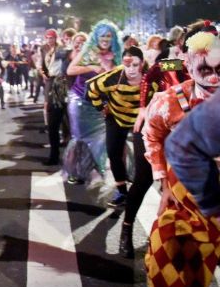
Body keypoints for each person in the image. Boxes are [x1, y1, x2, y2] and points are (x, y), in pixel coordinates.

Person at [140, 38, 220, 287]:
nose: (213, 75)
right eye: (205, 68)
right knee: (161, 256)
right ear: (188, 65)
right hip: (179, 194)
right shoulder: (168, 99)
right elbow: (152, 136)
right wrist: (161, 180)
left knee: (202, 261)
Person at [86, 47, 156, 210]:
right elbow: (91, 90)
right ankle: (122, 193)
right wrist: (102, 107)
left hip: (140, 119)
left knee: (144, 158)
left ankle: (138, 187)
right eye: (127, 65)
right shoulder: (112, 77)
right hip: (116, 117)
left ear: (142, 63)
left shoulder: (152, 74)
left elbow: (177, 65)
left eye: (135, 65)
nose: (131, 70)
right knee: (113, 153)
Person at [64, 20, 122, 184]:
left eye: (109, 36)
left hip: (102, 104)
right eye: (102, 35)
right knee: (79, 137)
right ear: (96, 36)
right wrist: (92, 67)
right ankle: (75, 170)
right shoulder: (88, 51)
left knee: (100, 138)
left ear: (113, 38)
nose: (105, 39)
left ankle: (96, 165)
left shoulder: (116, 54)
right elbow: (70, 70)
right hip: (81, 100)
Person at [39, 29, 71, 166]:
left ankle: (71, 156)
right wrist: (42, 72)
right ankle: (54, 155)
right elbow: (43, 66)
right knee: (53, 122)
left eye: (52, 37)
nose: (49, 39)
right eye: (47, 37)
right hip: (52, 83)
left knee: (70, 122)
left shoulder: (62, 50)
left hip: (64, 85)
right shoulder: (46, 50)